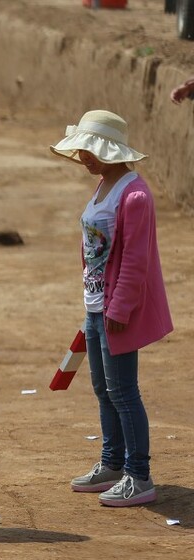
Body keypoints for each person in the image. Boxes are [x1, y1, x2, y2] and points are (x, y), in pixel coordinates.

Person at [50, 110, 173, 507]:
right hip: (96, 306)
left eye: (90, 149)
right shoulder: (106, 183)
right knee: (104, 390)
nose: (83, 156)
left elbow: (136, 259)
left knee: (123, 391)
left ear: (109, 151)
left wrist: (118, 308)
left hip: (115, 310)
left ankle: (139, 475)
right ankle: (112, 464)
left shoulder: (134, 194)